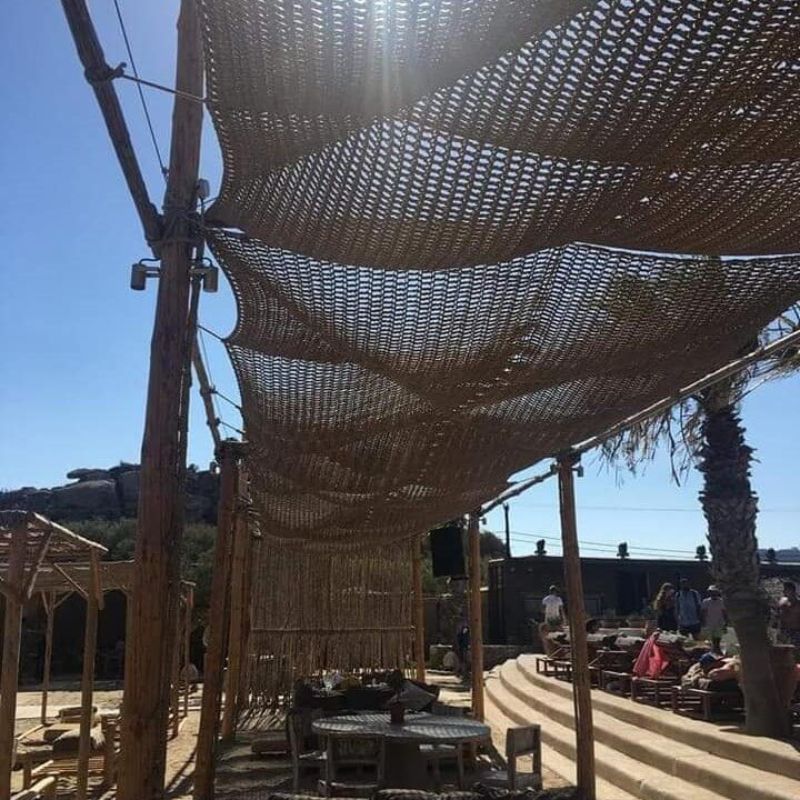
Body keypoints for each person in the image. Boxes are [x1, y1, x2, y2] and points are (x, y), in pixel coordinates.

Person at [701, 585, 728, 654]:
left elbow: (724, 612)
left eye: (714, 592)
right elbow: (704, 612)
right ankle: (714, 650)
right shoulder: (706, 601)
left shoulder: (721, 601)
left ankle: (717, 649)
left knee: (718, 638)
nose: (713, 594)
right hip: (710, 622)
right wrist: (703, 622)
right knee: (712, 639)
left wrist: (726, 622)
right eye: (711, 592)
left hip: (719, 622)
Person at [778, 581, 800, 650]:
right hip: (785, 631)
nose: (784, 592)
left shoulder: (798, 604)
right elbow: (779, 618)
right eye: (784, 591)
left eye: (786, 590)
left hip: (796, 632)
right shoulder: (783, 604)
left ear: (792, 591)